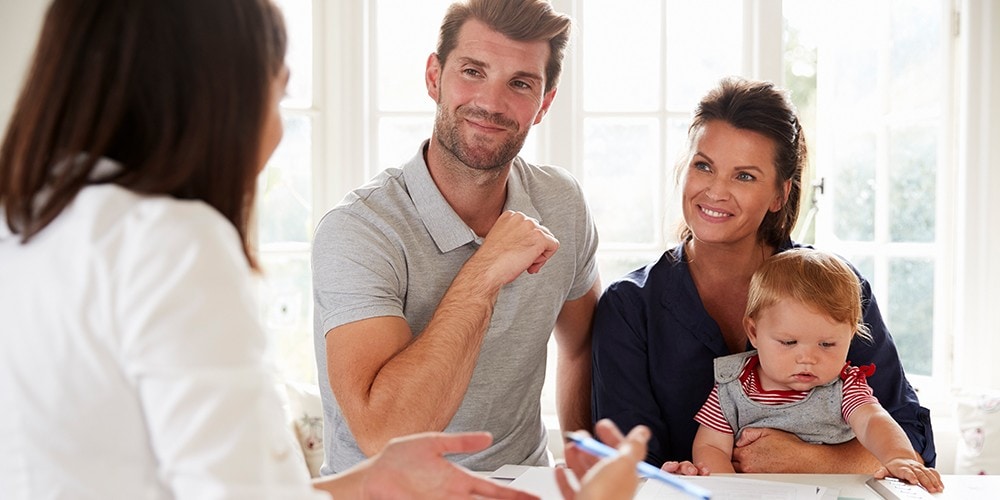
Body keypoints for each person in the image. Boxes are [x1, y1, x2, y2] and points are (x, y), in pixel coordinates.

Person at [0, 1, 638, 498]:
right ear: (211, 97)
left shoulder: (32, 220)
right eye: (275, 94)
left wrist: (371, 482)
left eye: (520, 84)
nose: (277, 127)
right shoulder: (176, 245)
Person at [590, 76, 936, 473]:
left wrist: (811, 460)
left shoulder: (837, 287)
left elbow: (913, 443)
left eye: (745, 176)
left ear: (779, 195)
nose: (716, 191)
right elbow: (628, 463)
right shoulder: (629, 307)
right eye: (704, 166)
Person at [312, 0, 599, 475]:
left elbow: (583, 345)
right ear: (434, 77)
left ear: (544, 103)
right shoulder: (359, 229)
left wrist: (581, 461)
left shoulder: (562, 203)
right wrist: (486, 271)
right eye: (472, 71)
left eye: (521, 83)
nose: (491, 102)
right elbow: (385, 434)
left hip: (523, 486)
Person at [689, 249, 943, 492]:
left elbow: (872, 421)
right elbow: (711, 447)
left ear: (850, 337)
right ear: (754, 332)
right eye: (789, 343)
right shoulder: (733, 386)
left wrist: (898, 457)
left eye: (827, 344)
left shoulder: (845, 387)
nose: (808, 359)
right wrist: (729, 490)